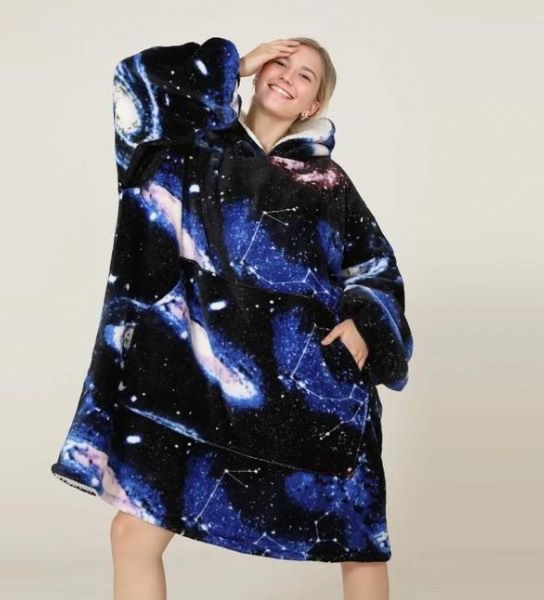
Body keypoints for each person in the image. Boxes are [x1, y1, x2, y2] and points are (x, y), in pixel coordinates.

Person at [50, 37, 413, 600]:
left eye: (306, 76)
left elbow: (375, 268)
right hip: (195, 385)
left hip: (303, 388)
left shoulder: (329, 183)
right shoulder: (186, 146)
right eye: (280, 62)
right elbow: (133, 83)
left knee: (357, 540)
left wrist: (366, 322)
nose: (287, 75)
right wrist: (231, 65)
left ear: (313, 106)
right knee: (132, 534)